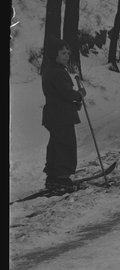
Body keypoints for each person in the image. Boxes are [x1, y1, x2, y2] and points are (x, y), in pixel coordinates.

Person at [42, 39, 85, 193]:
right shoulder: (57, 72)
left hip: (55, 114)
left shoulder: (52, 70)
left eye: (68, 53)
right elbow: (67, 94)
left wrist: (74, 103)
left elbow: (59, 96)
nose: (66, 56)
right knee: (66, 146)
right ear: (54, 54)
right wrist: (79, 94)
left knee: (56, 145)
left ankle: (53, 177)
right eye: (63, 53)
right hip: (61, 116)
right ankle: (62, 178)